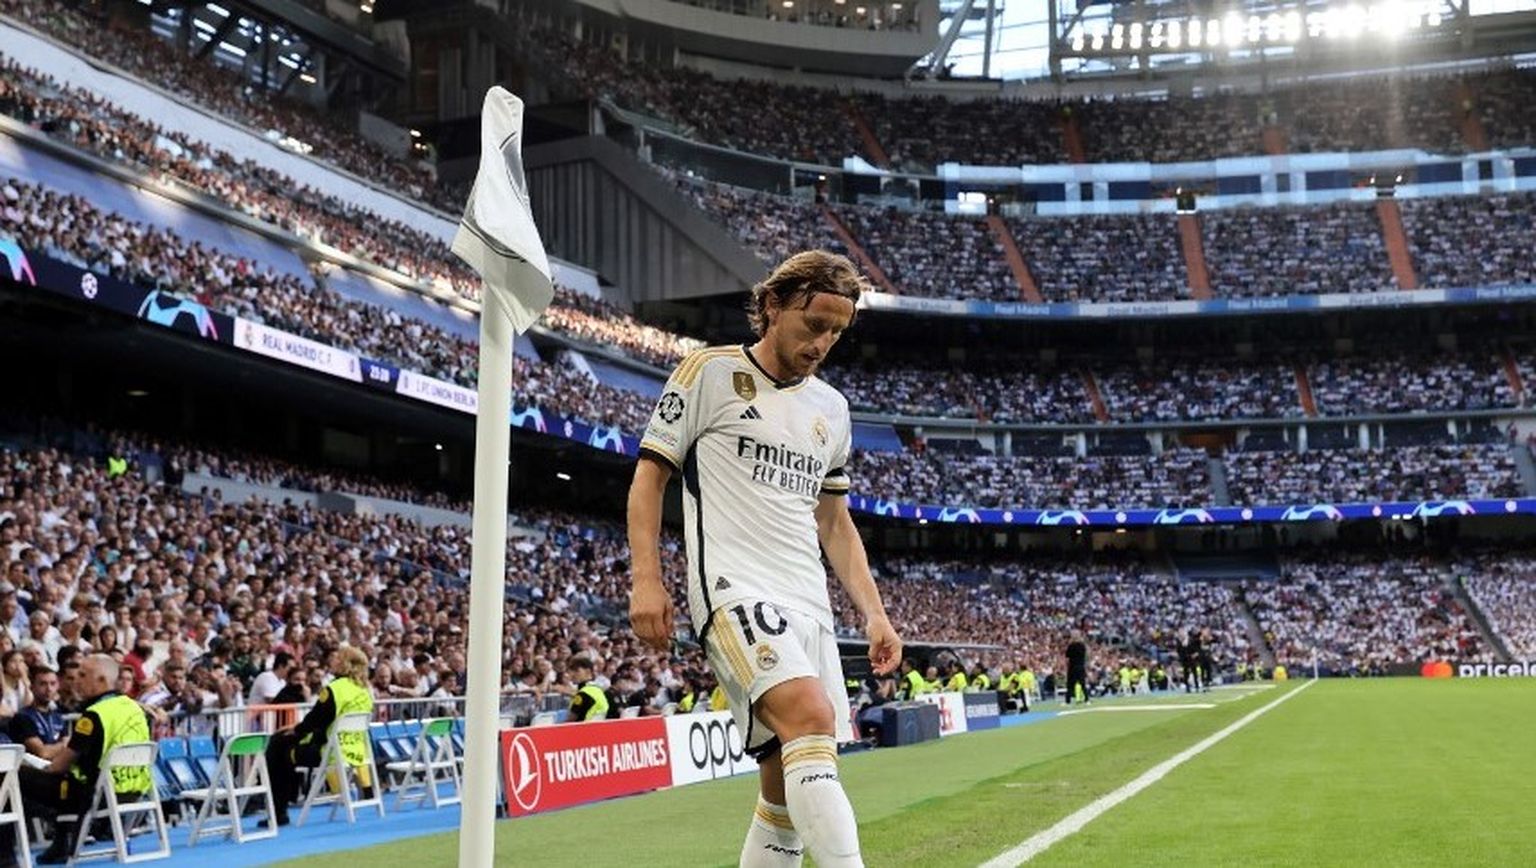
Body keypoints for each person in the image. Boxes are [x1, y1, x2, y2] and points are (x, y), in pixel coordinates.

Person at [629, 250, 901, 868]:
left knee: (783, 789)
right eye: (814, 324)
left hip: (809, 602)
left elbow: (834, 521)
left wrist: (875, 613)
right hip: (735, 589)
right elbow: (650, 478)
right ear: (773, 306)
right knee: (810, 714)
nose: (822, 343)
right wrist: (647, 579)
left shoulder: (831, 410)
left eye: (836, 332)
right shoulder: (710, 372)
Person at [19, 655, 152, 864]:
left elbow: (58, 766)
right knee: (68, 780)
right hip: (134, 791)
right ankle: (61, 844)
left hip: (94, 795)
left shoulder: (94, 715)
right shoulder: (135, 708)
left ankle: (6, 856)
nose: (76, 681)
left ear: (101, 680)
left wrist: (37, 766)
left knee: (13, 777)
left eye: (83, 675)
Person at [263, 646, 373, 827]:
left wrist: (295, 730)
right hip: (357, 752)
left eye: (338, 658)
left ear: (345, 663)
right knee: (285, 746)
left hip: (329, 752)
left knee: (278, 745)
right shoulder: (364, 691)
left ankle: (278, 811)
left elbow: (315, 720)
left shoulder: (335, 689)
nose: (334, 661)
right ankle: (285, 802)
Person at [9, 666, 65, 759]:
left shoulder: (57, 716)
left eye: (52, 684)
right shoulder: (22, 717)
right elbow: (43, 753)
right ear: (32, 687)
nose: (49, 689)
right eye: (43, 684)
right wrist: (63, 745)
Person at [565, 657, 610, 721]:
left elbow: (570, 720)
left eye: (577, 671)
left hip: (584, 726)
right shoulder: (597, 690)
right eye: (571, 671)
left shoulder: (584, 694)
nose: (572, 674)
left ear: (588, 671)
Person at [1065, 634, 1089, 705]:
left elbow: (1067, 657)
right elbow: (1085, 656)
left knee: (1070, 685)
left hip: (1072, 667)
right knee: (1083, 684)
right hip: (1080, 667)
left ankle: (1068, 701)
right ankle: (1087, 699)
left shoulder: (1070, 646)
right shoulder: (1082, 646)